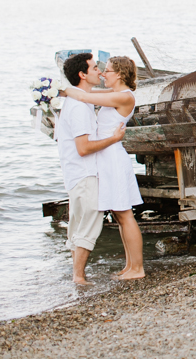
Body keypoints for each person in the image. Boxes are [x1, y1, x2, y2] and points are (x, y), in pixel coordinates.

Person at [63, 55, 145, 280]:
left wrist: (59, 90)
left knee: (125, 214)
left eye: (107, 70)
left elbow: (82, 95)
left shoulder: (124, 96)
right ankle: (130, 266)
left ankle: (137, 268)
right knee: (120, 215)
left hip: (113, 159)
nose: (102, 74)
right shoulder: (114, 94)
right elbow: (87, 95)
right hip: (106, 160)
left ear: (118, 74)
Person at [57, 53, 126, 285]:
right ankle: (78, 276)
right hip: (84, 173)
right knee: (89, 223)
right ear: (82, 74)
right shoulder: (79, 107)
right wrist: (113, 139)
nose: (100, 71)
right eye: (95, 68)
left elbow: (103, 95)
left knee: (78, 224)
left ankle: (77, 274)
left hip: (76, 173)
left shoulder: (78, 100)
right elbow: (84, 148)